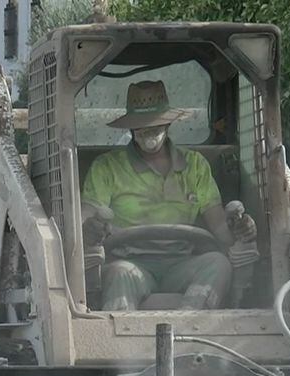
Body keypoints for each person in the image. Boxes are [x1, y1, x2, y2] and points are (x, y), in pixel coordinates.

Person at [81, 81, 257, 311]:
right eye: (142, 127)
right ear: (131, 128)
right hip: (130, 263)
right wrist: (88, 229)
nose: (149, 133)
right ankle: (119, 337)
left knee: (218, 263)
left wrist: (241, 230)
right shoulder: (107, 167)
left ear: (168, 124)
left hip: (183, 263)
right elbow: (85, 218)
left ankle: (190, 327)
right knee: (119, 273)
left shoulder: (195, 165)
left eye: (155, 126)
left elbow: (220, 227)